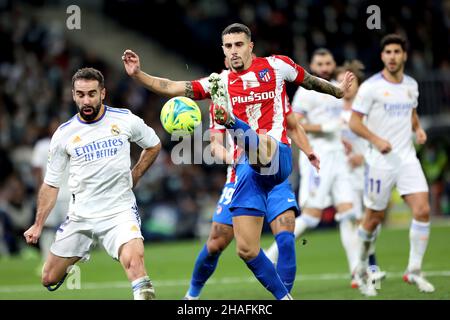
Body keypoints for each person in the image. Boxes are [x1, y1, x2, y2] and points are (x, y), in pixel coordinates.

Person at [123, 23, 352, 300]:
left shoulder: (277, 66)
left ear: (250, 46)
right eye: (229, 46)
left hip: (276, 157)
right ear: (223, 50)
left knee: (282, 216)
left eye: (239, 45)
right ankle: (284, 297)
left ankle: (235, 124)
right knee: (246, 249)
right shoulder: (219, 84)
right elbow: (172, 86)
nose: (234, 51)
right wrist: (138, 74)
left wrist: (338, 92)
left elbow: (311, 81)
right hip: (245, 171)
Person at [23, 68, 161, 300]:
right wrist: (38, 224)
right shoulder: (63, 134)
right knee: (48, 278)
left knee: (136, 265)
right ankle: (80, 250)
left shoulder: (125, 119)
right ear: (74, 95)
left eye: (91, 94)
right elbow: (51, 183)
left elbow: (153, 144)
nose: (86, 100)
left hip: (119, 211)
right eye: (80, 94)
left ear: (103, 93)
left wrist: (134, 175)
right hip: (81, 216)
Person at [184, 97, 318, 299]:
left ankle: (284, 296)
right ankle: (191, 296)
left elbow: (294, 125)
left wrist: (309, 152)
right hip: (241, 179)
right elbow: (215, 145)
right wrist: (234, 159)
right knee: (216, 243)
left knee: (285, 238)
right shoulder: (221, 103)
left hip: (274, 179)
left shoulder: (273, 89)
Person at [265, 49, 360, 286]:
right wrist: (326, 127)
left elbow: (340, 124)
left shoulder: (336, 90)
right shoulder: (306, 95)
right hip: (318, 156)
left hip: (339, 157)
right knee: (311, 217)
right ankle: (270, 254)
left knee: (348, 213)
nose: (325, 67)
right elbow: (295, 124)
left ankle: (357, 272)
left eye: (329, 62)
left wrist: (342, 138)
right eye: (320, 63)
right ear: (312, 65)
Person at [349, 34, 434, 296]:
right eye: (388, 52)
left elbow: (412, 111)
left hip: (407, 158)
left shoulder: (411, 84)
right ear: (382, 56)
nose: (392, 56)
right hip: (380, 161)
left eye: (397, 51)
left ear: (404, 55)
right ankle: (361, 268)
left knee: (422, 210)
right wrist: (376, 139)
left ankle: (414, 270)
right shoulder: (371, 87)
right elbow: (354, 122)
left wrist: (417, 129)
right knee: (373, 219)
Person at [336, 60, 386, 288]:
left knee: (371, 223)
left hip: (367, 171)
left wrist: (363, 158)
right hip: (342, 176)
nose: (345, 85)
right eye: (341, 81)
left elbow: (381, 140)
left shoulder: (367, 112)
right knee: (350, 222)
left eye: (350, 81)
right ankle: (358, 270)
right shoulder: (331, 111)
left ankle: (368, 264)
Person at [31, 118, 70, 266]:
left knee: (69, 228)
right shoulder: (42, 146)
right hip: (49, 193)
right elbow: (37, 170)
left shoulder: (72, 141)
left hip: (68, 193)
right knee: (46, 227)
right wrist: (39, 192)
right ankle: (46, 259)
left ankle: (64, 260)